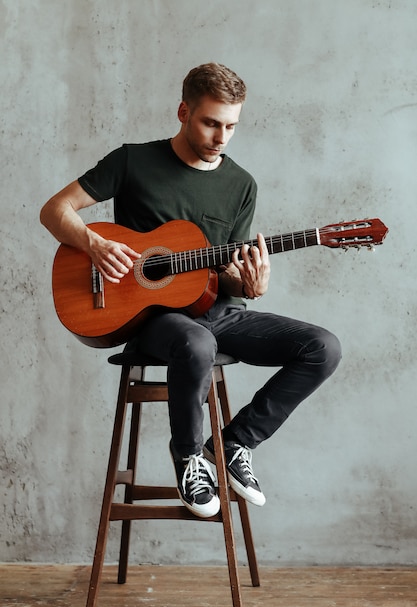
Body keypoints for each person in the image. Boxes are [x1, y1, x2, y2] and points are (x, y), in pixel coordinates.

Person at [40, 62, 341, 519]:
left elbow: (227, 276)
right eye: (211, 123)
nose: (221, 137)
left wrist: (249, 284)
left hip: (217, 312)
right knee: (196, 341)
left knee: (323, 347)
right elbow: (55, 210)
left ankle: (234, 443)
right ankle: (189, 458)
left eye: (231, 126)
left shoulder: (241, 185)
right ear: (183, 111)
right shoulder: (133, 160)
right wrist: (95, 243)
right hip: (153, 319)